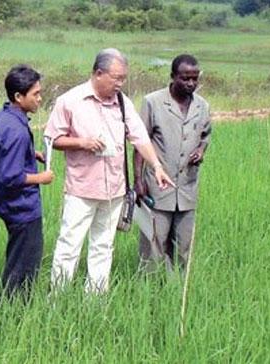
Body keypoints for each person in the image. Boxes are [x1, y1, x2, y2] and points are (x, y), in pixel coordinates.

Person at [45, 48, 175, 294]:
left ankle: (95, 301)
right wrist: (82, 142)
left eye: (123, 78)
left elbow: (139, 137)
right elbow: (53, 139)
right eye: (116, 78)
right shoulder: (70, 101)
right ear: (98, 73)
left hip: (114, 190)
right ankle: (57, 299)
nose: (120, 83)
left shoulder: (123, 103)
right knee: (69, 246)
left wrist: (156, 166)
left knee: (103, 247)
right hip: (81, 189)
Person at [134, 54, 212, 273]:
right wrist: (138, 180)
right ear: (172, 77)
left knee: (182, 247)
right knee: (153, 245)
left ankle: (175, 291)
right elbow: (141, 142)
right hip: (158, 187)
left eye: (195, 79)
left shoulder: (202, 106)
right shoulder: (153, 102)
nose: (191, 84)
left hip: (187, 187)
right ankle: (149, 291)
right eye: (185, 78)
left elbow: (205, 135)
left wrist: (201, 150)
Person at [0, 65, 54, 296]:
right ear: (18, 96)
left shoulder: (0, 120)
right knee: (23, 267)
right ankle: (14, 310)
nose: (40, 99)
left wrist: (29, 154)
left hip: (5, 203)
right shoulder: (16, 130)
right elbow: (10, 176)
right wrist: (41, 178)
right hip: (21, 207)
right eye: (35, 94)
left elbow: (0, 153)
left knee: (17, 259)